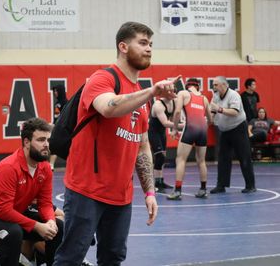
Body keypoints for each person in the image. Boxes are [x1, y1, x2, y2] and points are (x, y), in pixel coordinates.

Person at [52, 21, 177, 266]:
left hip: (120, 196)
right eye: (142, 43)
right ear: (123, 46)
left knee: (113, 258)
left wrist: (150, 192)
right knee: (71, 258)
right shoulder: (102, 78)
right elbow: (110, 107)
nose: (149, 48)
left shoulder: (142, 94)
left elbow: (142, 147)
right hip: (86, 190)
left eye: (151, 44)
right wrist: (151, 92)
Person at [0, 117, 63, 266]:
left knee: (58, 227)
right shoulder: (9, 168)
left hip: (13, 213)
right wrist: (37, 226)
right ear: (26, 142)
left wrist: (50, 221)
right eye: (41, 140)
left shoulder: (45, 167)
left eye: (48, 140)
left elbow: (45, 203)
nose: (46, 144)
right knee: (14, 233)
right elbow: (3, 211)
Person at [167, 78, 213, 200]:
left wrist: (175, 129)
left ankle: (177, 191)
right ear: (198, 87)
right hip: (202, 131)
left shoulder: (183, 93)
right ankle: (203, 190)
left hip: (190, 129)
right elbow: (211, 119)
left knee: (181, 160)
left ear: (188, 86)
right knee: (201, 161)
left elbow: (177, 112)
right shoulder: (204, 99)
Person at [210, 76, 257, 194]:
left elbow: (235, 112)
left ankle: (250, 185)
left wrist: (219, 109)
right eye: (213, 84)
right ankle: (221, 185)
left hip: (238, 128)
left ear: (224, 85)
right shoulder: (215, 96)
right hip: (225, 130)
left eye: (216, 84)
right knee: (223, 158)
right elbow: (213, 111)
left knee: (244, 156)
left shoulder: (234, 95)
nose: (214, 87)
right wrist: (209, 119)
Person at [148, 94, 183, 193]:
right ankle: (156, 183)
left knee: (163, 157)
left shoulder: (174, 101)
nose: (175, 94)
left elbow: (172, 117)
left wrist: (174, 130)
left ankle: (160, 181)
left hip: (161, 132)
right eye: (172, 92)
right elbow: (165, 123)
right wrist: (183, 125)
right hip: (153, 132)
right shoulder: (158, 105)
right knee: (160, 157)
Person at [50, 85, 68, 171]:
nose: (55, 93)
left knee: (54, 144)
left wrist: (55, 125)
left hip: (61, 127)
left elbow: (57, 117)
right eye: (54, 91)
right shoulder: (67, 102)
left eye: (56, 91)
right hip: (64, 126)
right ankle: (51, 165)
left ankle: (51, 165)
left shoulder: (58, 104)